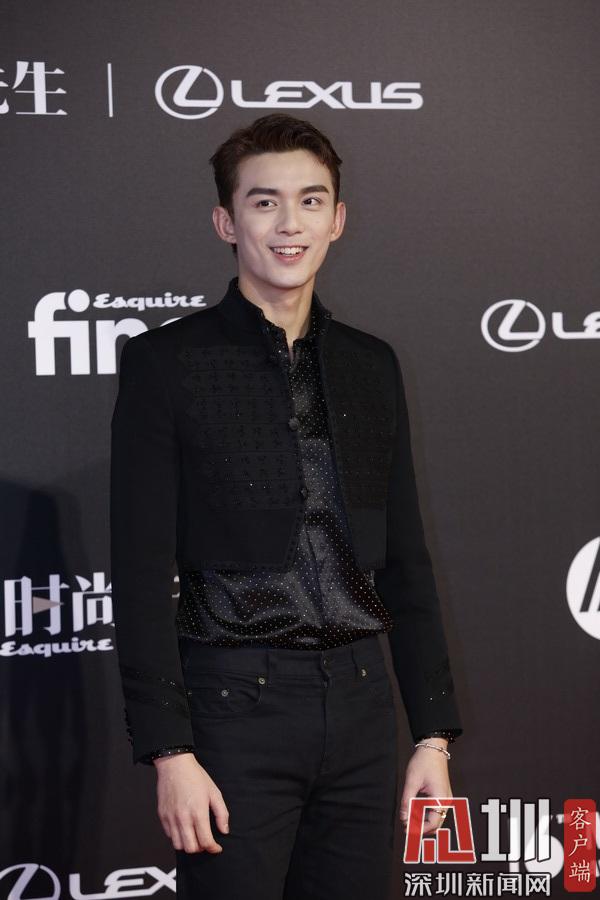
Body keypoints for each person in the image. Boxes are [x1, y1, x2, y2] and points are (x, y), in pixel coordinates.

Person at [110, 112, 462, 899]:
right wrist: (170, 751)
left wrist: (432, 736)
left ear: (338, 219)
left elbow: (406, 561)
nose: (289, 224)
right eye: (264, 202)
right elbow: (138, 572)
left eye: (311, 201)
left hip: (364, 709)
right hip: (234, 710)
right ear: (226, 222)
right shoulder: (168, 363)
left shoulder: (371, 364)